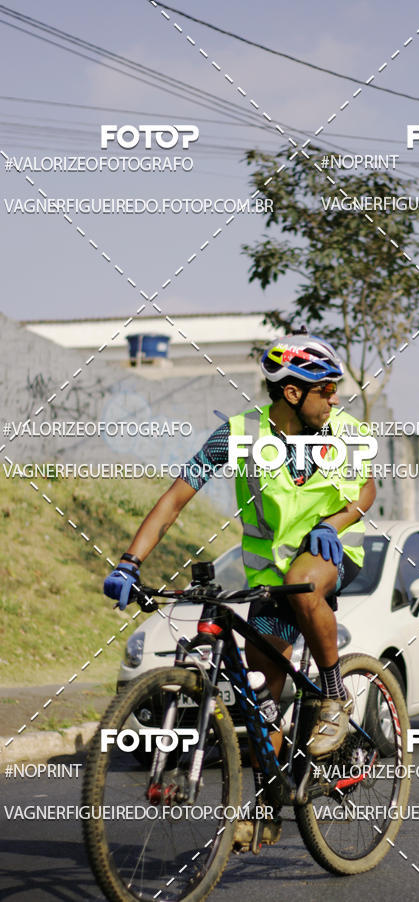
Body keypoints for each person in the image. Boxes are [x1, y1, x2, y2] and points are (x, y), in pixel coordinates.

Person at [103, 331, 375, 786]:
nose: (334, 398)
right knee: (261, 698)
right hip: (270, 574)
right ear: (292, 392)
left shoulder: (346, 432)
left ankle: (333, 696)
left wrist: (335, 523)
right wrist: (130, 562)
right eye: (326, 389)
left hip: (333, 552)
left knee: (306, 580)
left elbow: (366, 489)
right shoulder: (238, 434)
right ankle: (267, 807)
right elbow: (175, 499)